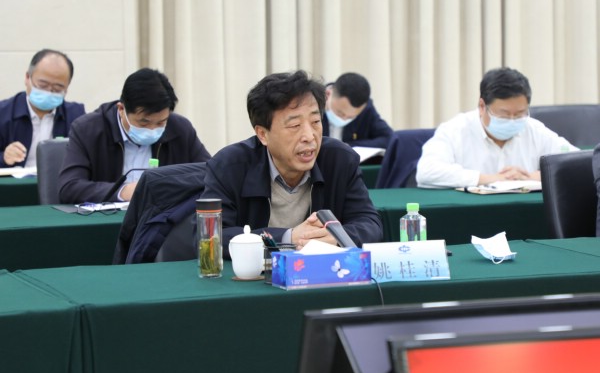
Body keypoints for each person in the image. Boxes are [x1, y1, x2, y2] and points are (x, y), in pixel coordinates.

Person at [201, 70, 383, 258]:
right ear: (263, 134)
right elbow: (211, 236)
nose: (309, 136)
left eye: (315, 121)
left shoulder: (340, 160)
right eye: (295, 126)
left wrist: (337, 237)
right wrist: (287, 238)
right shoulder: (229, 166)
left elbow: (370, 224)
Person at [58, 68, 211, 204]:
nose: (152, 129)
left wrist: (170, 187)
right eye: (144, 122)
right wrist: (123, 192)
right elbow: (69, 187)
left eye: (160, 123)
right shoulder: (88, 129)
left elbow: (210, 174)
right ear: (121, 109)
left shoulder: (179, 129)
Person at [416, 67, 579, 189]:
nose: (513, 120)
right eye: (504, 115)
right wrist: (489, 179)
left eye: (520, 113)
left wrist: (533, 176)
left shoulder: (534, 129)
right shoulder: (455, 130)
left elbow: (578, 164)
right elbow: (426, 171)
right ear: (482, 106)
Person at [0, 49, 85, 168]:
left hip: (57, 179)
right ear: (27, 78)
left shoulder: (76, 115)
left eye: (58, 88)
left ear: (67, 88)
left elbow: (87, 157)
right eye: (43, 85)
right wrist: (4, 157)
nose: (49, 92)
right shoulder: (3, 113)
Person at [323, 72, 393, 149]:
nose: (344, 119)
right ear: (327, 94)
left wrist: (347, 146)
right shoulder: (314, 102)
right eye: (340, 113)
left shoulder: (366, 109)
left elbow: (389, 139)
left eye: (351, 117)